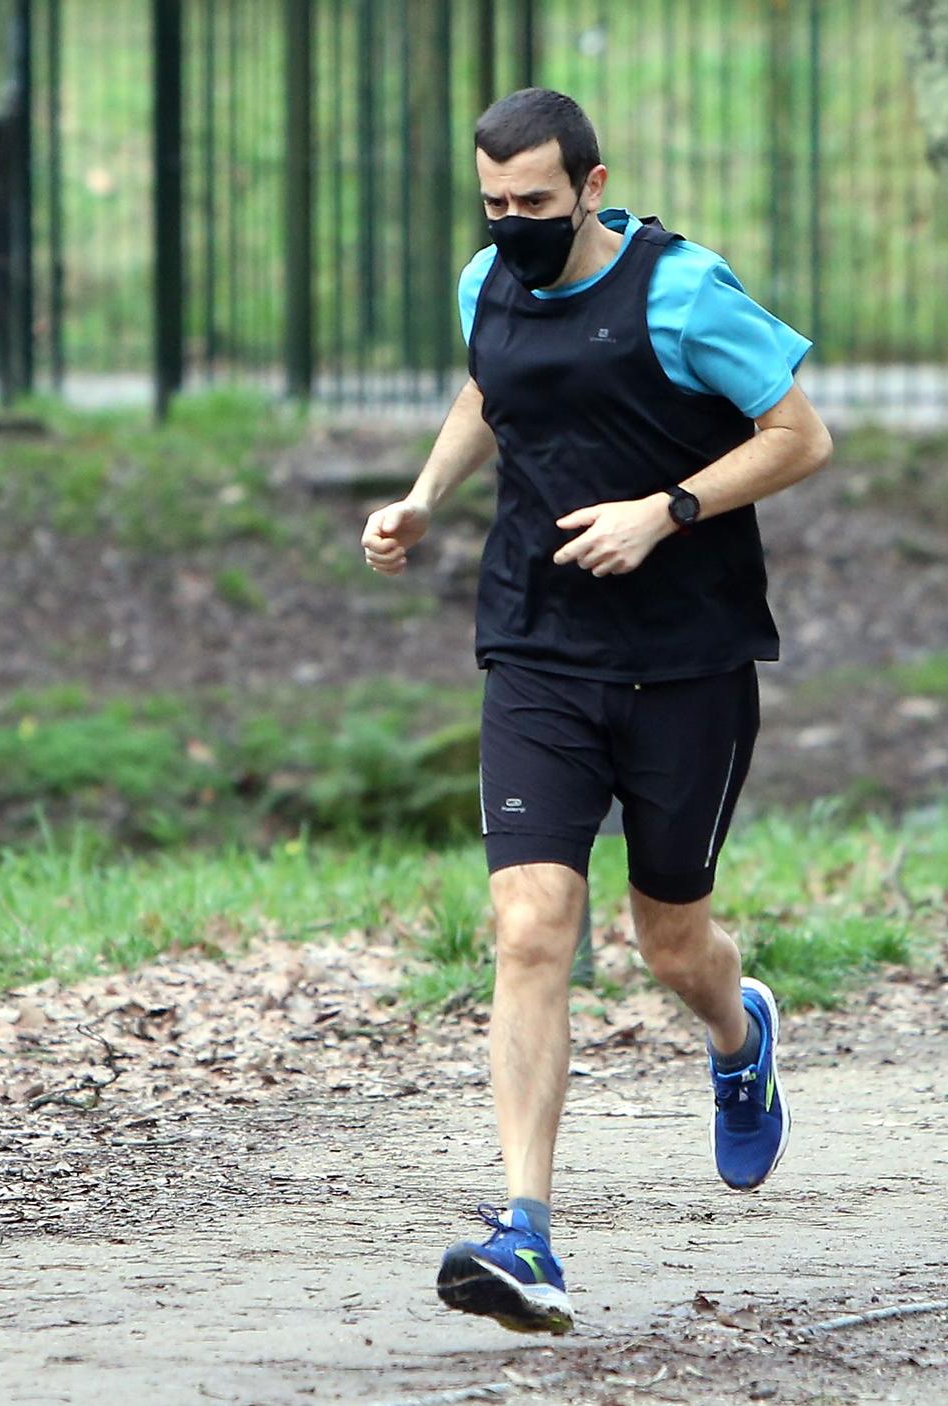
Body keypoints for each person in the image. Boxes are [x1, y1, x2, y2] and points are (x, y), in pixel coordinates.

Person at [361, 89, 833, 1334]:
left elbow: (798, 435)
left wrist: (665, 508)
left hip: (683, 660)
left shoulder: (680, 293)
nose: (512, 223)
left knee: (671, 940)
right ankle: (525, 1232)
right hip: (534, 646)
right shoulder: (487, 280)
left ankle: (739, 1035)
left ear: (588, 183)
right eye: (493, 204)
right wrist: (422, 496)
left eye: (533, 202)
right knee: (531, 922)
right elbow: (489, 389)